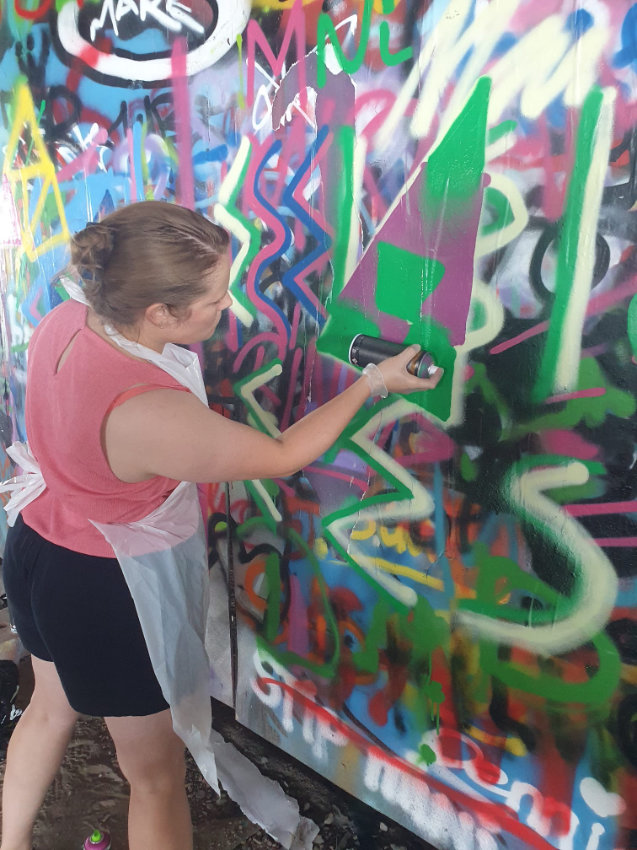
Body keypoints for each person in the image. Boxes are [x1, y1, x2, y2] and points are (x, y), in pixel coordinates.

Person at [0, 200, 443, 850]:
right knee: (154, 778)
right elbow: (282, 454)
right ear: (160, 313)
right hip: (101, 588)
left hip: (37, 544)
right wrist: (372, 382)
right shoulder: (151, 411)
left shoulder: (66, 319)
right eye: (213, 298)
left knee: (47, 710)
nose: (227, 306)